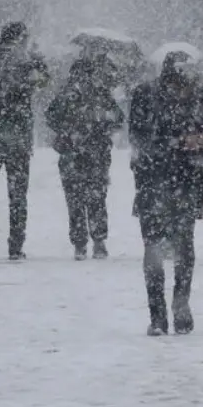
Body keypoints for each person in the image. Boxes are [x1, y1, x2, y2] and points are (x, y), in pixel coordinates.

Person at [129, 50, 203, 335]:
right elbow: (139, 137)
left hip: (185, 181)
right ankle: (157, 314)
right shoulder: (145, 95)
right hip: (154, 181)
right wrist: (179, 141)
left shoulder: (200, 96)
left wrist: (202, 147)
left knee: (183, 246)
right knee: (153, 248)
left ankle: (180, 305)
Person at [0, 21, 50, 259]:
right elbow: (44, 81)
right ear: (22, 39)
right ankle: (16, 243)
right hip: (18, 138)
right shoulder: (28, 63)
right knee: (17, 193)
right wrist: (37, 61)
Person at [46, 53, 125, 259]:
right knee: (97, 198)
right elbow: (118, 118)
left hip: (72, 153)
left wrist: (68, 131)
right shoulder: (101, 94)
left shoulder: (66, 94)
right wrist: (102, 127)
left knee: (75, 201)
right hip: (96, 153)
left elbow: (50, 117)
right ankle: (98, 241)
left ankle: (80, 244)